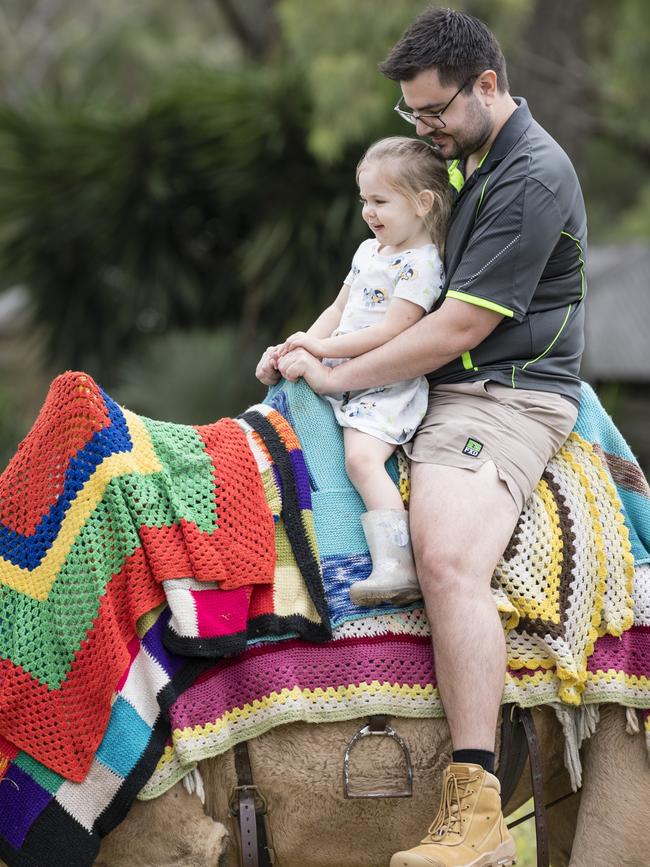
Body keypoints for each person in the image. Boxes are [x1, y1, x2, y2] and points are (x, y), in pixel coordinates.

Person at [263, 8, 588, 867]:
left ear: (488, 85)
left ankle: (476, 805)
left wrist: (336, 374)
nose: (423, 129)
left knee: (443, 554)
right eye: (413, 114)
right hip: (431, 382)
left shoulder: (531, 177)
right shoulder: (466, 156)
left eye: (434, 110)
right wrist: (304, 347)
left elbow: (450, 331)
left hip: (502, 394)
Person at [257, 136, 453, 607]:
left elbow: (393, 330)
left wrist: (321, 349)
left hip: (384, 384)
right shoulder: (369, 251)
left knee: (360, 460)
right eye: (364, 199)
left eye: (380, 201)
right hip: (342, 367)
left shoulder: (423, 265)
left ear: (423, 203)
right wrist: (300, 344)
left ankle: (397, 564)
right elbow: (340, 307)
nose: (369, 211)